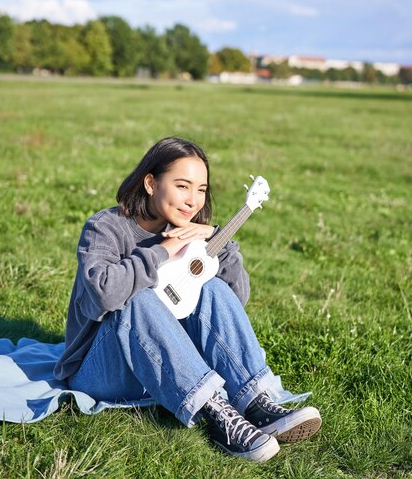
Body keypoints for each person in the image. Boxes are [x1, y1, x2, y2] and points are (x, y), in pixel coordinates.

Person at [54, 137, 321, 462]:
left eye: (201, 189)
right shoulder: (106, 227)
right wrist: (162, 251)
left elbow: (234, 301)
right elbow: (105, 293)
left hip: (162, 368)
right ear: (151, 183)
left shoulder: (193, 234)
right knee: (138, 299)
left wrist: (216, 243)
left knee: (213, 287)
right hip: (100, 371)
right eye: (182, 186)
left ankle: (255, 403)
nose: (192, 200)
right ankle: (218, 415)